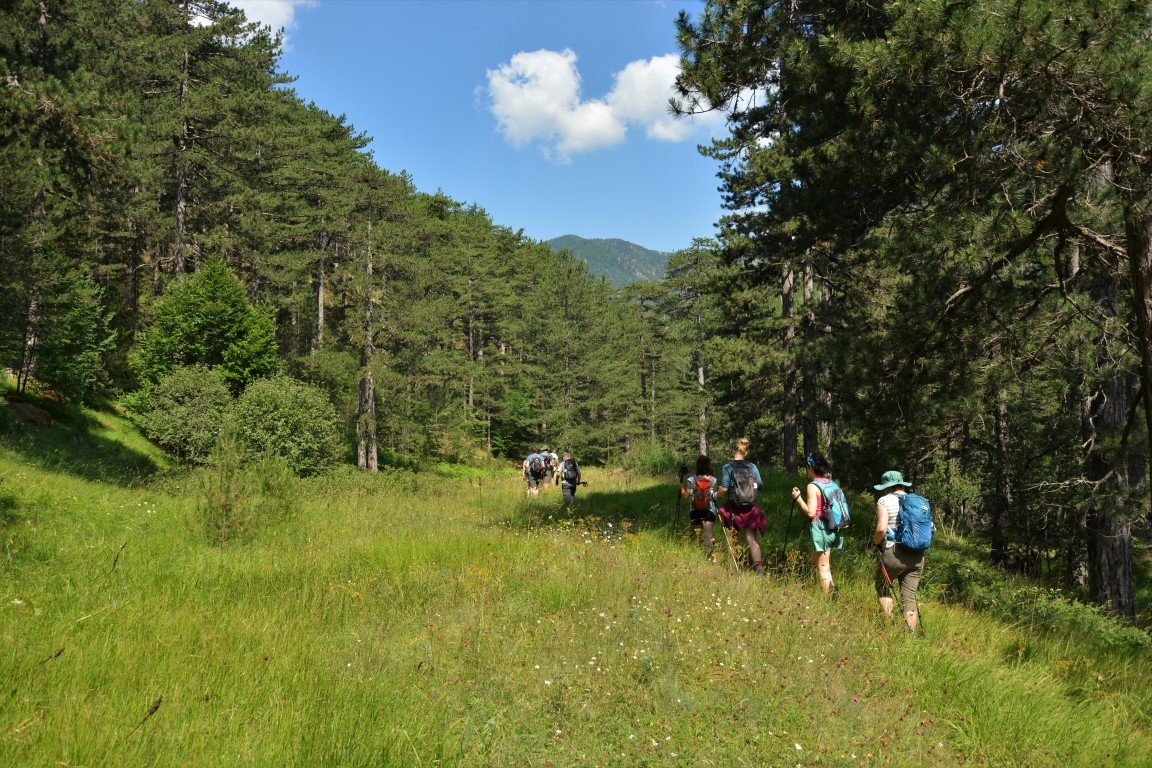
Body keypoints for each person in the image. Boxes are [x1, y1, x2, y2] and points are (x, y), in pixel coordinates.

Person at [870, 470, 926, 634]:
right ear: (902, 484)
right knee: (909, 597)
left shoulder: (884, 500)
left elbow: (881, 529)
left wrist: (874, 544)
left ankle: (891, 626)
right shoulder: (919, 501)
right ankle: (909, 635)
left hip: (893, 552)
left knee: (882, 586)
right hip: (917, 555)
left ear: (887, 487)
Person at [790, 451, 845, 593]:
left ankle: (832, 598)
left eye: (807, 467)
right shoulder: (832, 483)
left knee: (823, 568)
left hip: (821, 528)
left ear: (811, 468)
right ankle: (831, 591)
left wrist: (798, 498)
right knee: (820, 563)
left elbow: (811, 512)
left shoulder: (812, 486)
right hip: (835, 528)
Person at [717, 437, 767, 574]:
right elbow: (761, 486)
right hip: (750, 507)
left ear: (734, 449)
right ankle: (758, 569)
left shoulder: (727, 467)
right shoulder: (752, 467)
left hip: (734, 507)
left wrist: (715, 495)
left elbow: (725, 488)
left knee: (732, 536)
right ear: (746, 451)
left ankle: (735, 565)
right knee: (752, 539)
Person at [681, 454, 718, 559]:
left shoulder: (691, 479)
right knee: (708, 535)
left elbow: (685, 495)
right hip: (709, 510)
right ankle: (711, 557)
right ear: (708, 466)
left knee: (697, 535)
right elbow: (714, 496)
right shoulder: (713, 479)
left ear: (697, 466)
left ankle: (698, 557)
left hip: (695, 510)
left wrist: (681, 487)